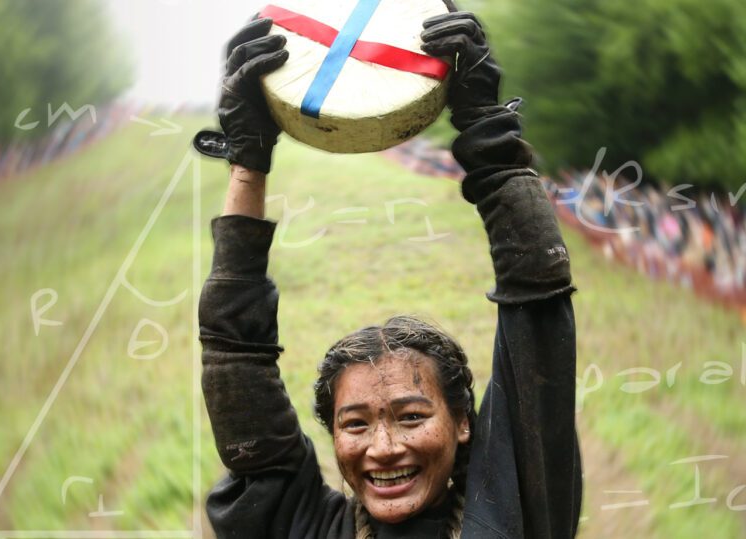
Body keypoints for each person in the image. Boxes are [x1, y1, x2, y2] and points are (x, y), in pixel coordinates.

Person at [192, 11, 582, 539]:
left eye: (412, 416)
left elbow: (537, 303)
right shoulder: (304, 527)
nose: (384, 447)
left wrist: (491, 136)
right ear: (333, 436)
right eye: (355, 423)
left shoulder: (514, 505)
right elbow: (234, 353)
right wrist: (247, 162)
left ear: (464, 423)